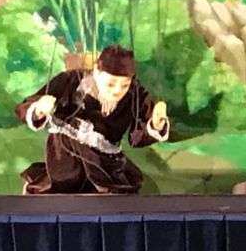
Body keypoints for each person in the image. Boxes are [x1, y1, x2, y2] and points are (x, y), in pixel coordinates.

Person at [16, 45, 169, 194]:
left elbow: (136, 137)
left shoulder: (135, 93)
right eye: (110, 84)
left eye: (124, 85)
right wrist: (39, 110)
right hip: (65, 156)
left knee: (114, 191)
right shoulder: (71, 80)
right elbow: (26, 106)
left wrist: (156, 124)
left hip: (105, 163)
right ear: (96, 71)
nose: (117, 90)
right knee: (62, 186)